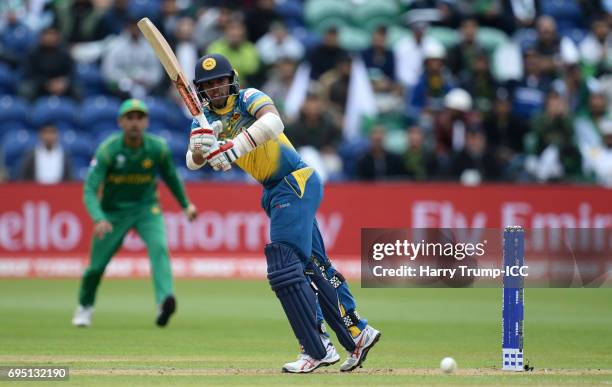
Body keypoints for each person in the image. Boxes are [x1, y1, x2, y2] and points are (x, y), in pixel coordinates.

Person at [185, 53, 381, 373]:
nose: (217, 88)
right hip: (275, 190)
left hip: (294, 181)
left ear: (231, 79)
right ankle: (357, 332)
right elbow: (193, 160)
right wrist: (202, 147)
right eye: (209, 84)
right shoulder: (203, 118)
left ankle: (316, 348)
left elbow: (275, 122)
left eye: (220, 80)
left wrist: (232, 148)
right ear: (202, 89)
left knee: (284, 267)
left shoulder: (249, 97)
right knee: (314, 266)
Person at [72, 99, 198, 328]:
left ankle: (164, 301)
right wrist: (99, 217)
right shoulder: (108, 150)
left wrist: (185, 204)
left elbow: (171, 177)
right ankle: (84, 306)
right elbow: (90, 189)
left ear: (146, 121)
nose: (135, 123)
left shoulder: (157, 147)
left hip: (146, 209)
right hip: (112, 213)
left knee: (159, 247)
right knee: (95, 268)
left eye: (139, 118)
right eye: (130, 118)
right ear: (120, 122)